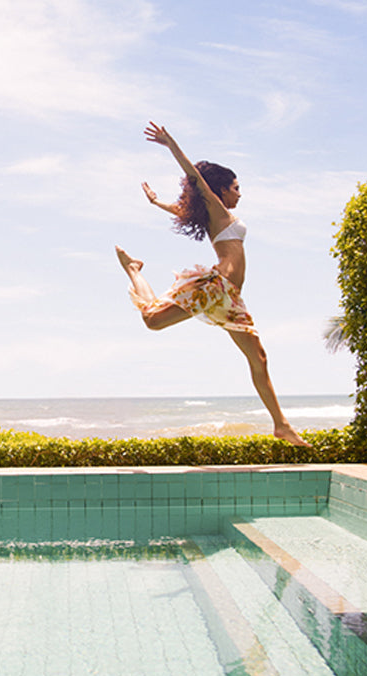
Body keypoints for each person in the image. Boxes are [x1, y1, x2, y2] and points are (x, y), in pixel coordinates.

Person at [116, 121, 310, 447]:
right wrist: (170, 143)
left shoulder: (216, 217)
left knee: (259, 357)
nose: (239, 192)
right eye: (236, 187)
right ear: (220, 190)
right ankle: (135, 270)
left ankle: (282, 426)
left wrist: (157, 203)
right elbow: (194, 176)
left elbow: (181, 210)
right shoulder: (218, 210)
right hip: (215, 288)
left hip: (230, 297)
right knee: (152, 321)